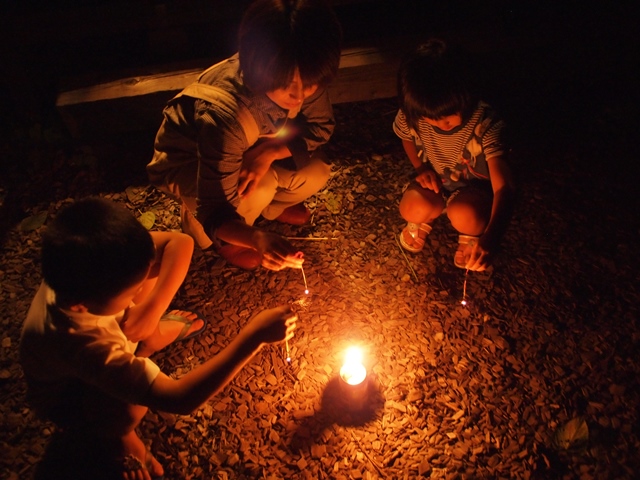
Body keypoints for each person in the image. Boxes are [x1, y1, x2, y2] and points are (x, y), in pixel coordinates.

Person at [19, 197, 297, 479]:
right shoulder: (83, 344)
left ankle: (146, 337)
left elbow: (180, 242)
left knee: (151, 266)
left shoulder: (88, 258)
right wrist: (254, 336)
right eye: (130, 295)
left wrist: (151, 309)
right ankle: (121, 437)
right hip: (71, 397)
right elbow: (179, 399)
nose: (137, 297)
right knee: (129, 409)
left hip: (107, 337)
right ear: (81, 305)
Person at [147, 0, 342, 271]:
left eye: (310, 84)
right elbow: (215, 210)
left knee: (317, 171)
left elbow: (320, 127)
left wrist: (268, 153)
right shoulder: (225, 116)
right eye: (287, 85)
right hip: (192, 163)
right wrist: (258, 239)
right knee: (254, 189)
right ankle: (227, 240)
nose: (299, 95)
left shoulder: (301, 65)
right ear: (258, 65)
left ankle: (269, 209)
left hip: (253, 146)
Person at [394, 39, 516, 271]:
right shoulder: (417, 110)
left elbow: (505, 187)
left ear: (466, 96)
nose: (441, 123)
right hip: (436, 181)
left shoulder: (486, 123)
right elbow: (406, 136)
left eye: (448, 115)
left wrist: (492, 237)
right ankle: (429, 216)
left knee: (466, 215)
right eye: (432, 119)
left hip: (473, 188)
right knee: (410, 209)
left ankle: (469, 233)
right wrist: (421, 168)